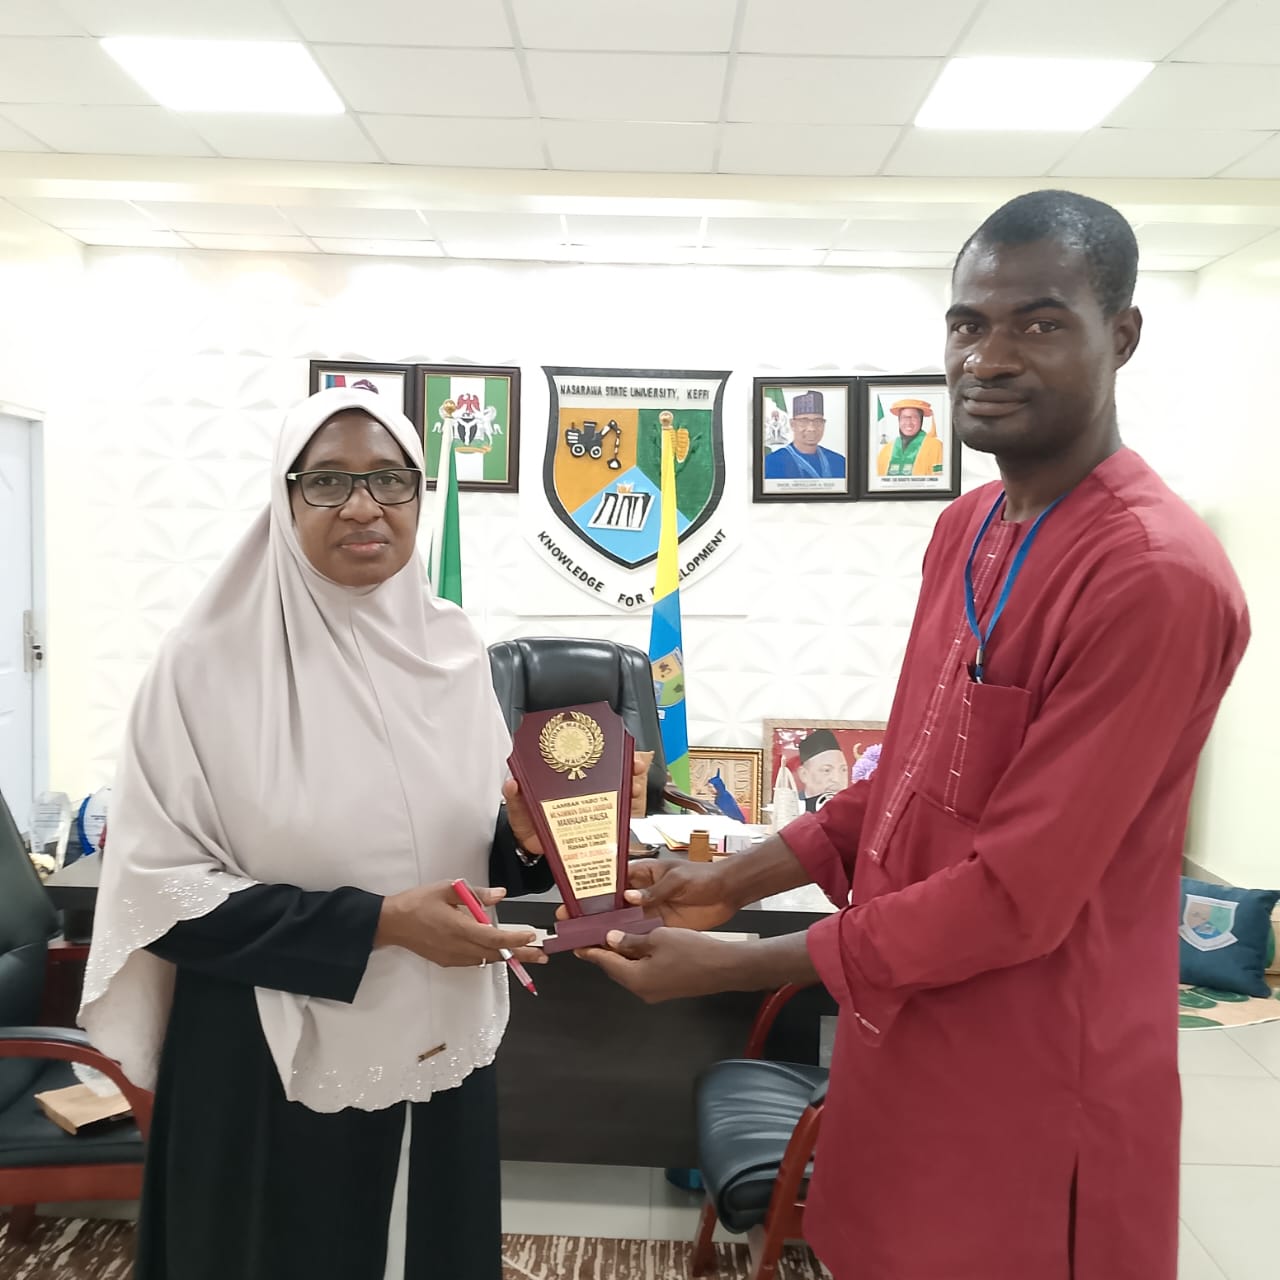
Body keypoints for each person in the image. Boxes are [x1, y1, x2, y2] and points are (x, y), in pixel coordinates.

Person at [575, 191, 1250, 1280]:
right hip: (902, 1030)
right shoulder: (967, 527)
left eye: (1036, 322)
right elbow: (903, 784)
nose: (988, 355)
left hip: (1035, 1073)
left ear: (1118, 335)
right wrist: (731, 878)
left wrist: (734, 964)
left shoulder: (1150, 576)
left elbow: (1016, 893)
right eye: (965, 323)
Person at [78, 385, 644, 1280]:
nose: (363, 507)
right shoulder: (202, 668)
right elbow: (163, 900)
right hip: (264, 1055)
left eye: (391, 481)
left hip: (437, 1031)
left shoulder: (453, 650)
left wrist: (524, 838)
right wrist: (381, 924)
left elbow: (453, 845)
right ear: (284, 494)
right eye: (328, 482)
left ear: (422, 496)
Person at [763, 390, 846, 480]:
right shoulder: (772, 462)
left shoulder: (839, 461)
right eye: (804, 421)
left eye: (817, 421)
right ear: (792, 424)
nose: (812, 428)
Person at [876, 398, 944, 477]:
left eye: (914, 417)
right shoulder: (886, 449)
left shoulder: (935, 446)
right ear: (899, 421)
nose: (908, 422)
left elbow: (939, 481)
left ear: (921, 420)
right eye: (904, 417)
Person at [794, 729, 848, 813]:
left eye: (843, 770)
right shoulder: (793, 808)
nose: (837, 779)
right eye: (827, 770)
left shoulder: (853, 810)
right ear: (804, 775)